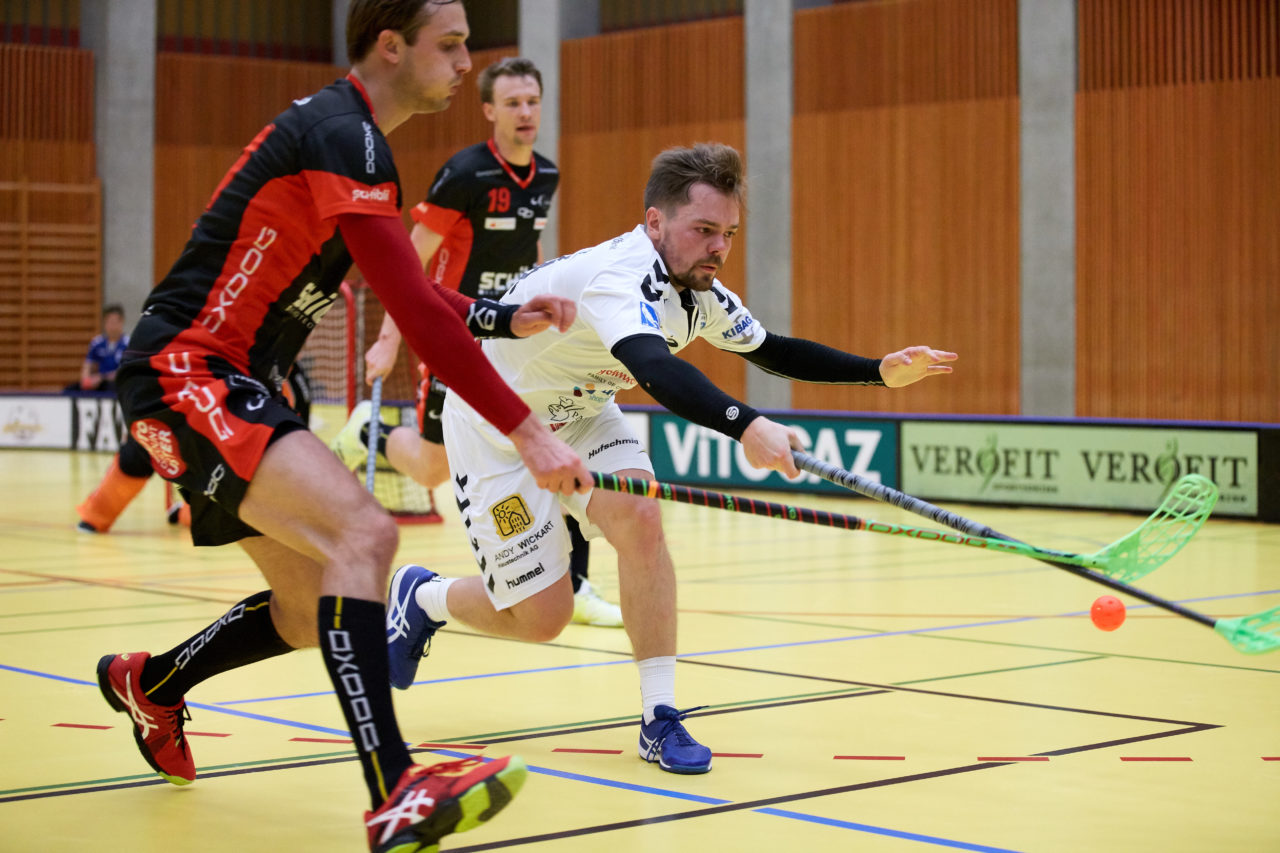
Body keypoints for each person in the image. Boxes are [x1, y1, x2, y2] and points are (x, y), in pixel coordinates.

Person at [94, 3, 590, 852]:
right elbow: (413, 314)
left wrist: (507, 320)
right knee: (364, 533)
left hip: (227, 383)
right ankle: (395, 790)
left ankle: (155, 683)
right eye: (452, 44)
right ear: (391, 46)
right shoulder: (342, 133)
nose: (469, 62)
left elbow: (418, 289)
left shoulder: (365, 152)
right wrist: (528, 431)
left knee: (303, 604)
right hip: (188, 373)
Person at [385, 142, 958, 775]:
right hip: (497, 425)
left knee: (643, 518)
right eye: (705, 230)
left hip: (581, 412)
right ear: (656, 222)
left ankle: (659, 717)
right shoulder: (618, 276)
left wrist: (878, 372)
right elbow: (653, 369)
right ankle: (425, 600)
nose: (719, 248)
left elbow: (773, 350)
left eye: (729, 234)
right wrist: (746, 426)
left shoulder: (698, 291)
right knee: (542, 619)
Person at [333, 56, 623, 627]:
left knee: (554, 439)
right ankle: (370, 428)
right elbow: (408, 265)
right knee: (431, 472)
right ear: (489, 110)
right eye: (512, 103)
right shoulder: (464, 174)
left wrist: (545, 304)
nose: (525, 113)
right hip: (454, 335)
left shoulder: (545, 175)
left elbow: (530, 255)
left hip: (516, 340)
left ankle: (577, 582)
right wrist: (391, 342)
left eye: (533, 102)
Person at [75, 364, 311, 533]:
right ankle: (97, 514)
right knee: (145, 442)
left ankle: (188, 512)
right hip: (199, 417)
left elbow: (292, 430)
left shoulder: (293, 380)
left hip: (241, 449)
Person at [68, 303, 127, 392]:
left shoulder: (128, 344)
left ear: (121, 322)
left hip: (117, 384)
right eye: (109, 322)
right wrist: (87, 380)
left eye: (115, 322)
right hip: (99, 384)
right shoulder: (97, 343)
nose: (112, 326)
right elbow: (88, 365)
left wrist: (102, 377)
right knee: (70, 390)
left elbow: (125, 372)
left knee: (111, 386)